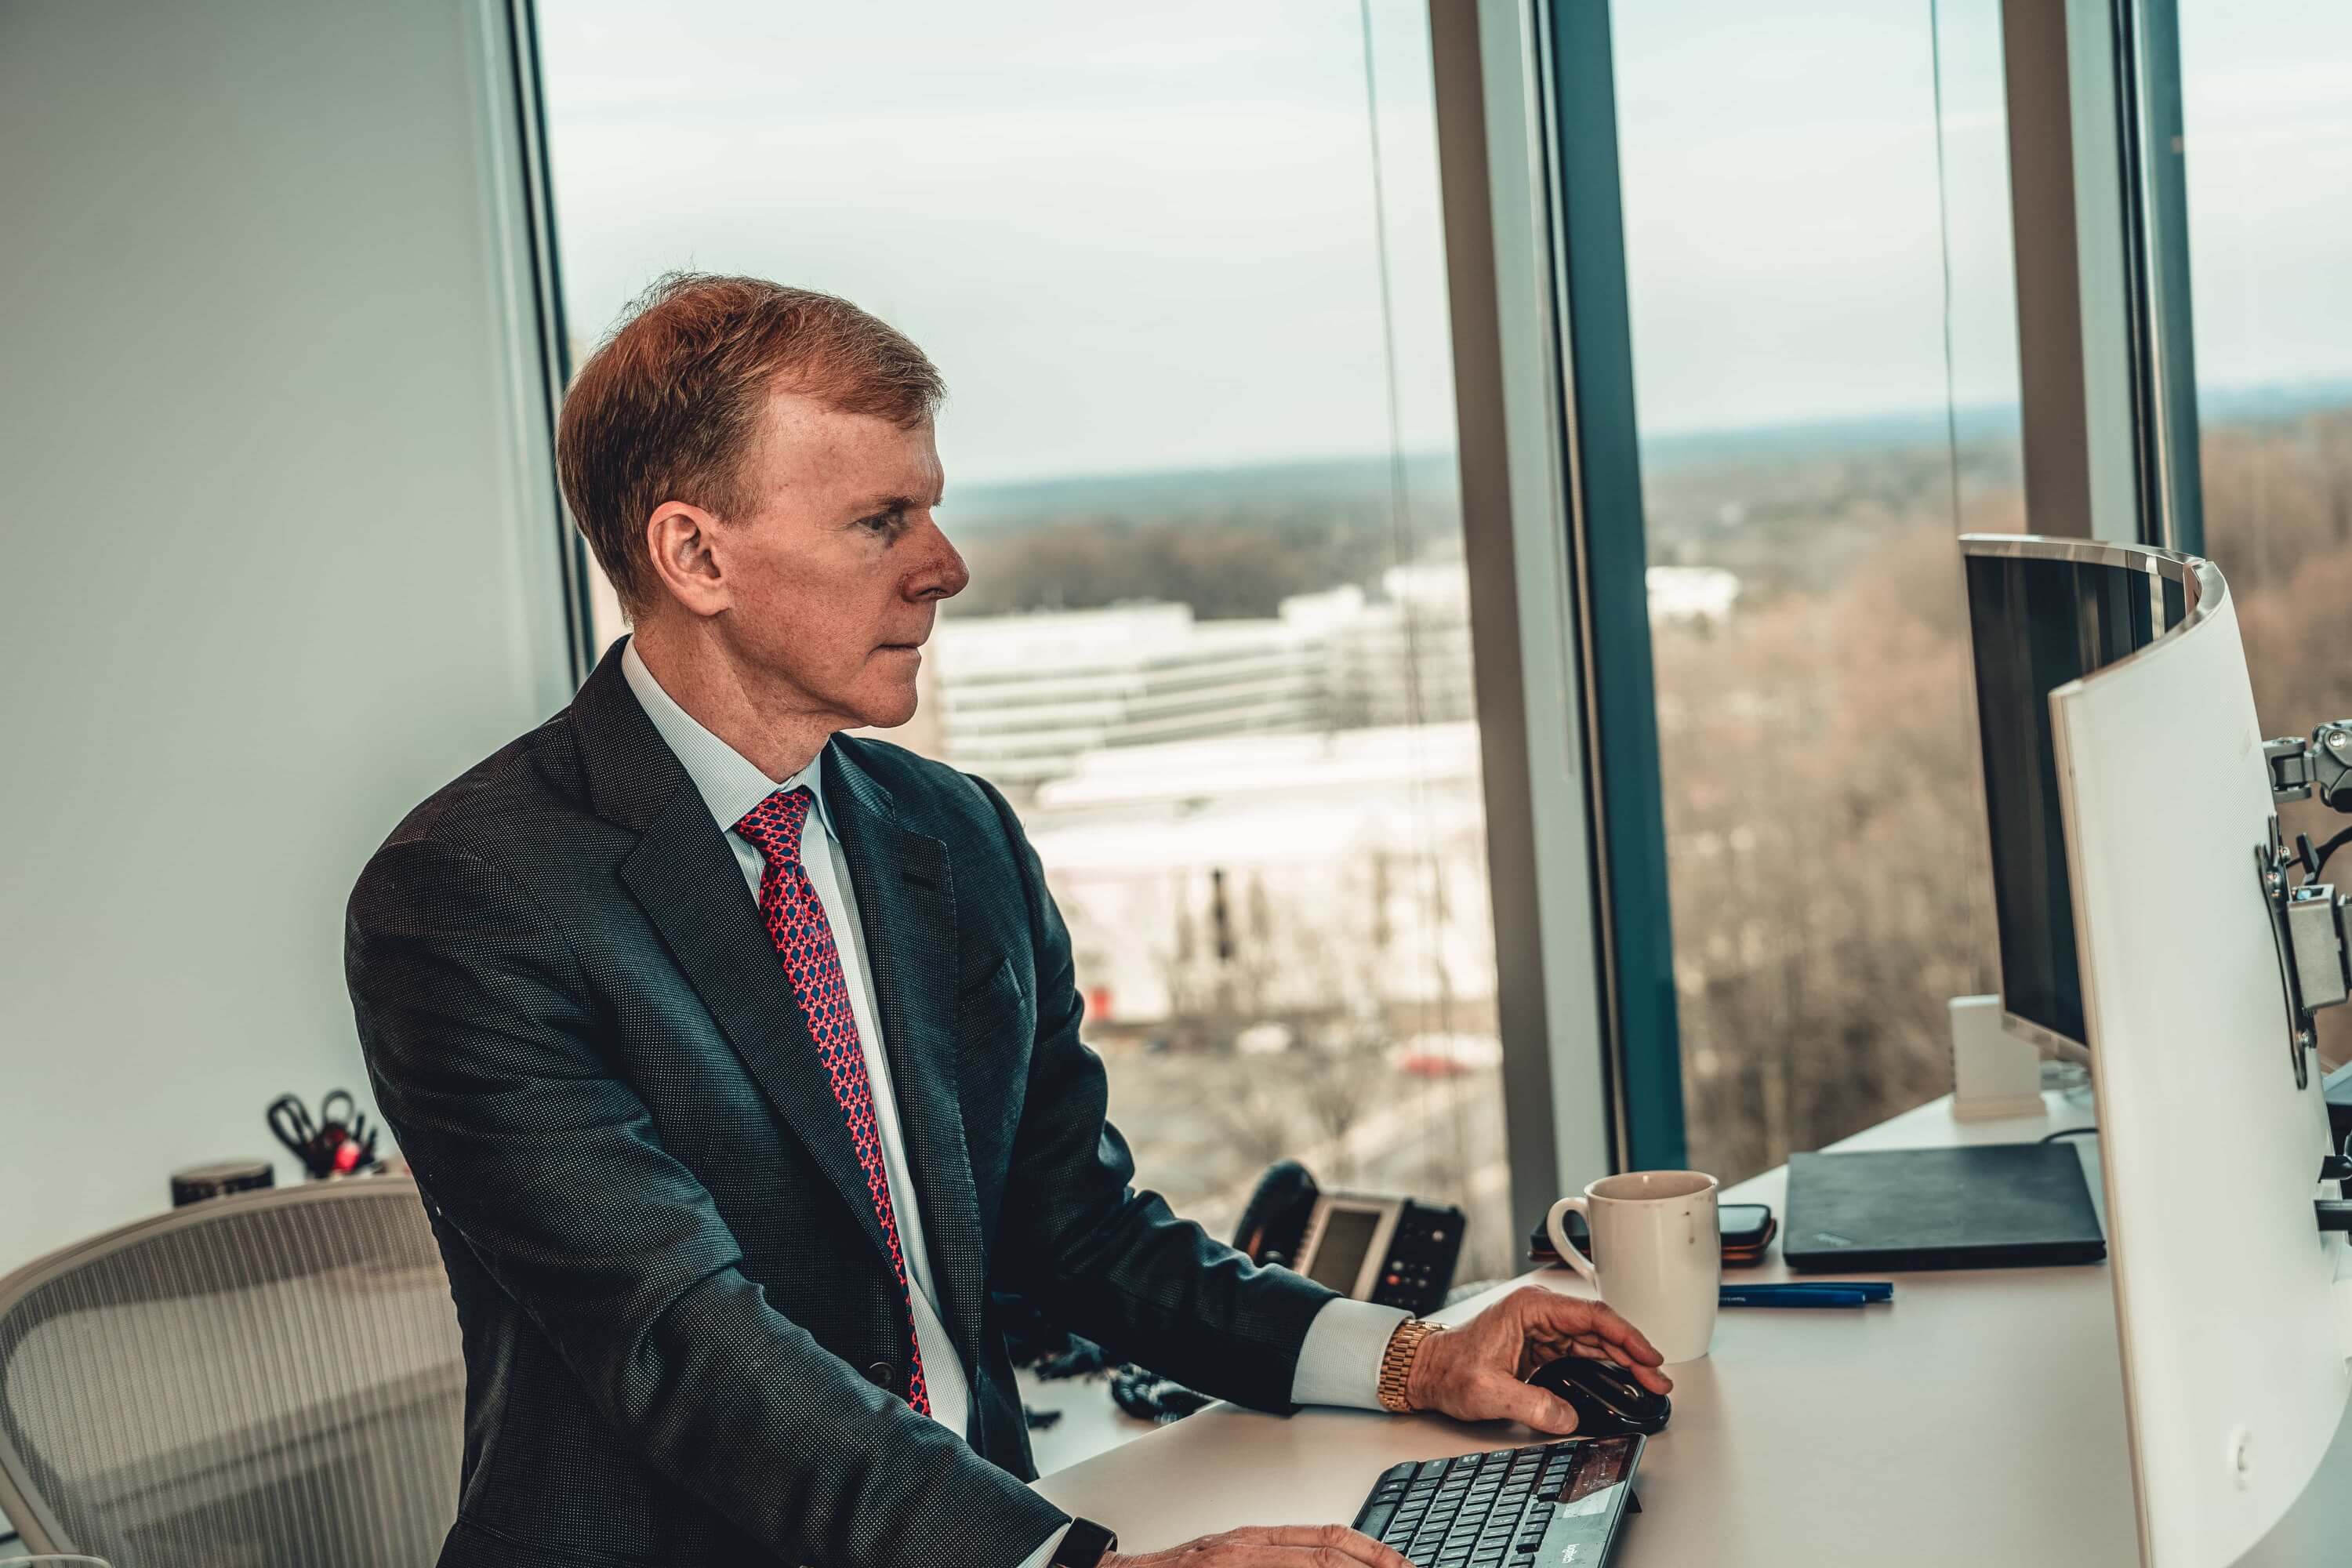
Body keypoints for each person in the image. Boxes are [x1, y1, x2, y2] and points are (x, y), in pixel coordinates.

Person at [345, 274, 1669, 1568]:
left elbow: (1073, 1229)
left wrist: (1414, 1356)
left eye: (932, 509)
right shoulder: (469, 900)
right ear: (695, 554)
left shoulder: (953, 836)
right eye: (881, 522)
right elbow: (684, 1342)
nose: (947, 567)